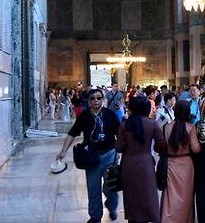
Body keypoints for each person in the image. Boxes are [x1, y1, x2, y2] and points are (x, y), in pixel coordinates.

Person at [56, 87, 121, 223]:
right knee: (93, 188)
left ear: (103, 100)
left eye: (99, 98)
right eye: (93, 98)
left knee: (110, 187)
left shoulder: (110, 115)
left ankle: (112, 207)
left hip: (109, 154)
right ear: (89, 101)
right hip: (91, 156)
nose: (96, 100)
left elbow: (120, 134)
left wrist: (120, 151)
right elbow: (72, 133)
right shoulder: (84, 116)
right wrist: (63, 151)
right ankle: (95, 216)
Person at [117, 96, 167, 223]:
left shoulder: (124, 125)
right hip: (146, 164)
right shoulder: (152, 124)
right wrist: (154, 148)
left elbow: (119, 147)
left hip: (128, 163)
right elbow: (161, 145)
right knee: (147, 196)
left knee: (132, 197)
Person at [161, 100, 200, 223]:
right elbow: (196, 149)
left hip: (171, 164)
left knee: (170, 197)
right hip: (187, 165)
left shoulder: (167, 127)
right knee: (186, 198)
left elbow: (162, 146)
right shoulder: (191, 128)